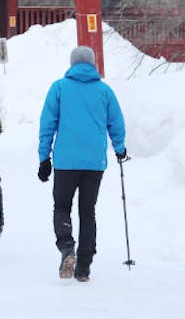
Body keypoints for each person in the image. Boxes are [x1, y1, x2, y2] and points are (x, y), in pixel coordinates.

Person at [37, 46, 126, 282]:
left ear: (72, 63)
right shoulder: (104, 91)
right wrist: (120, 149)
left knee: (62, 206)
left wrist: (44, 157)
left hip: (66, 162)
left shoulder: (59, 88)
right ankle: (84, 267)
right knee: (88, 212)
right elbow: (116, 123)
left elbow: (47, 124)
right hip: (94, 163)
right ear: (92, 63)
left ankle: (67, 247)